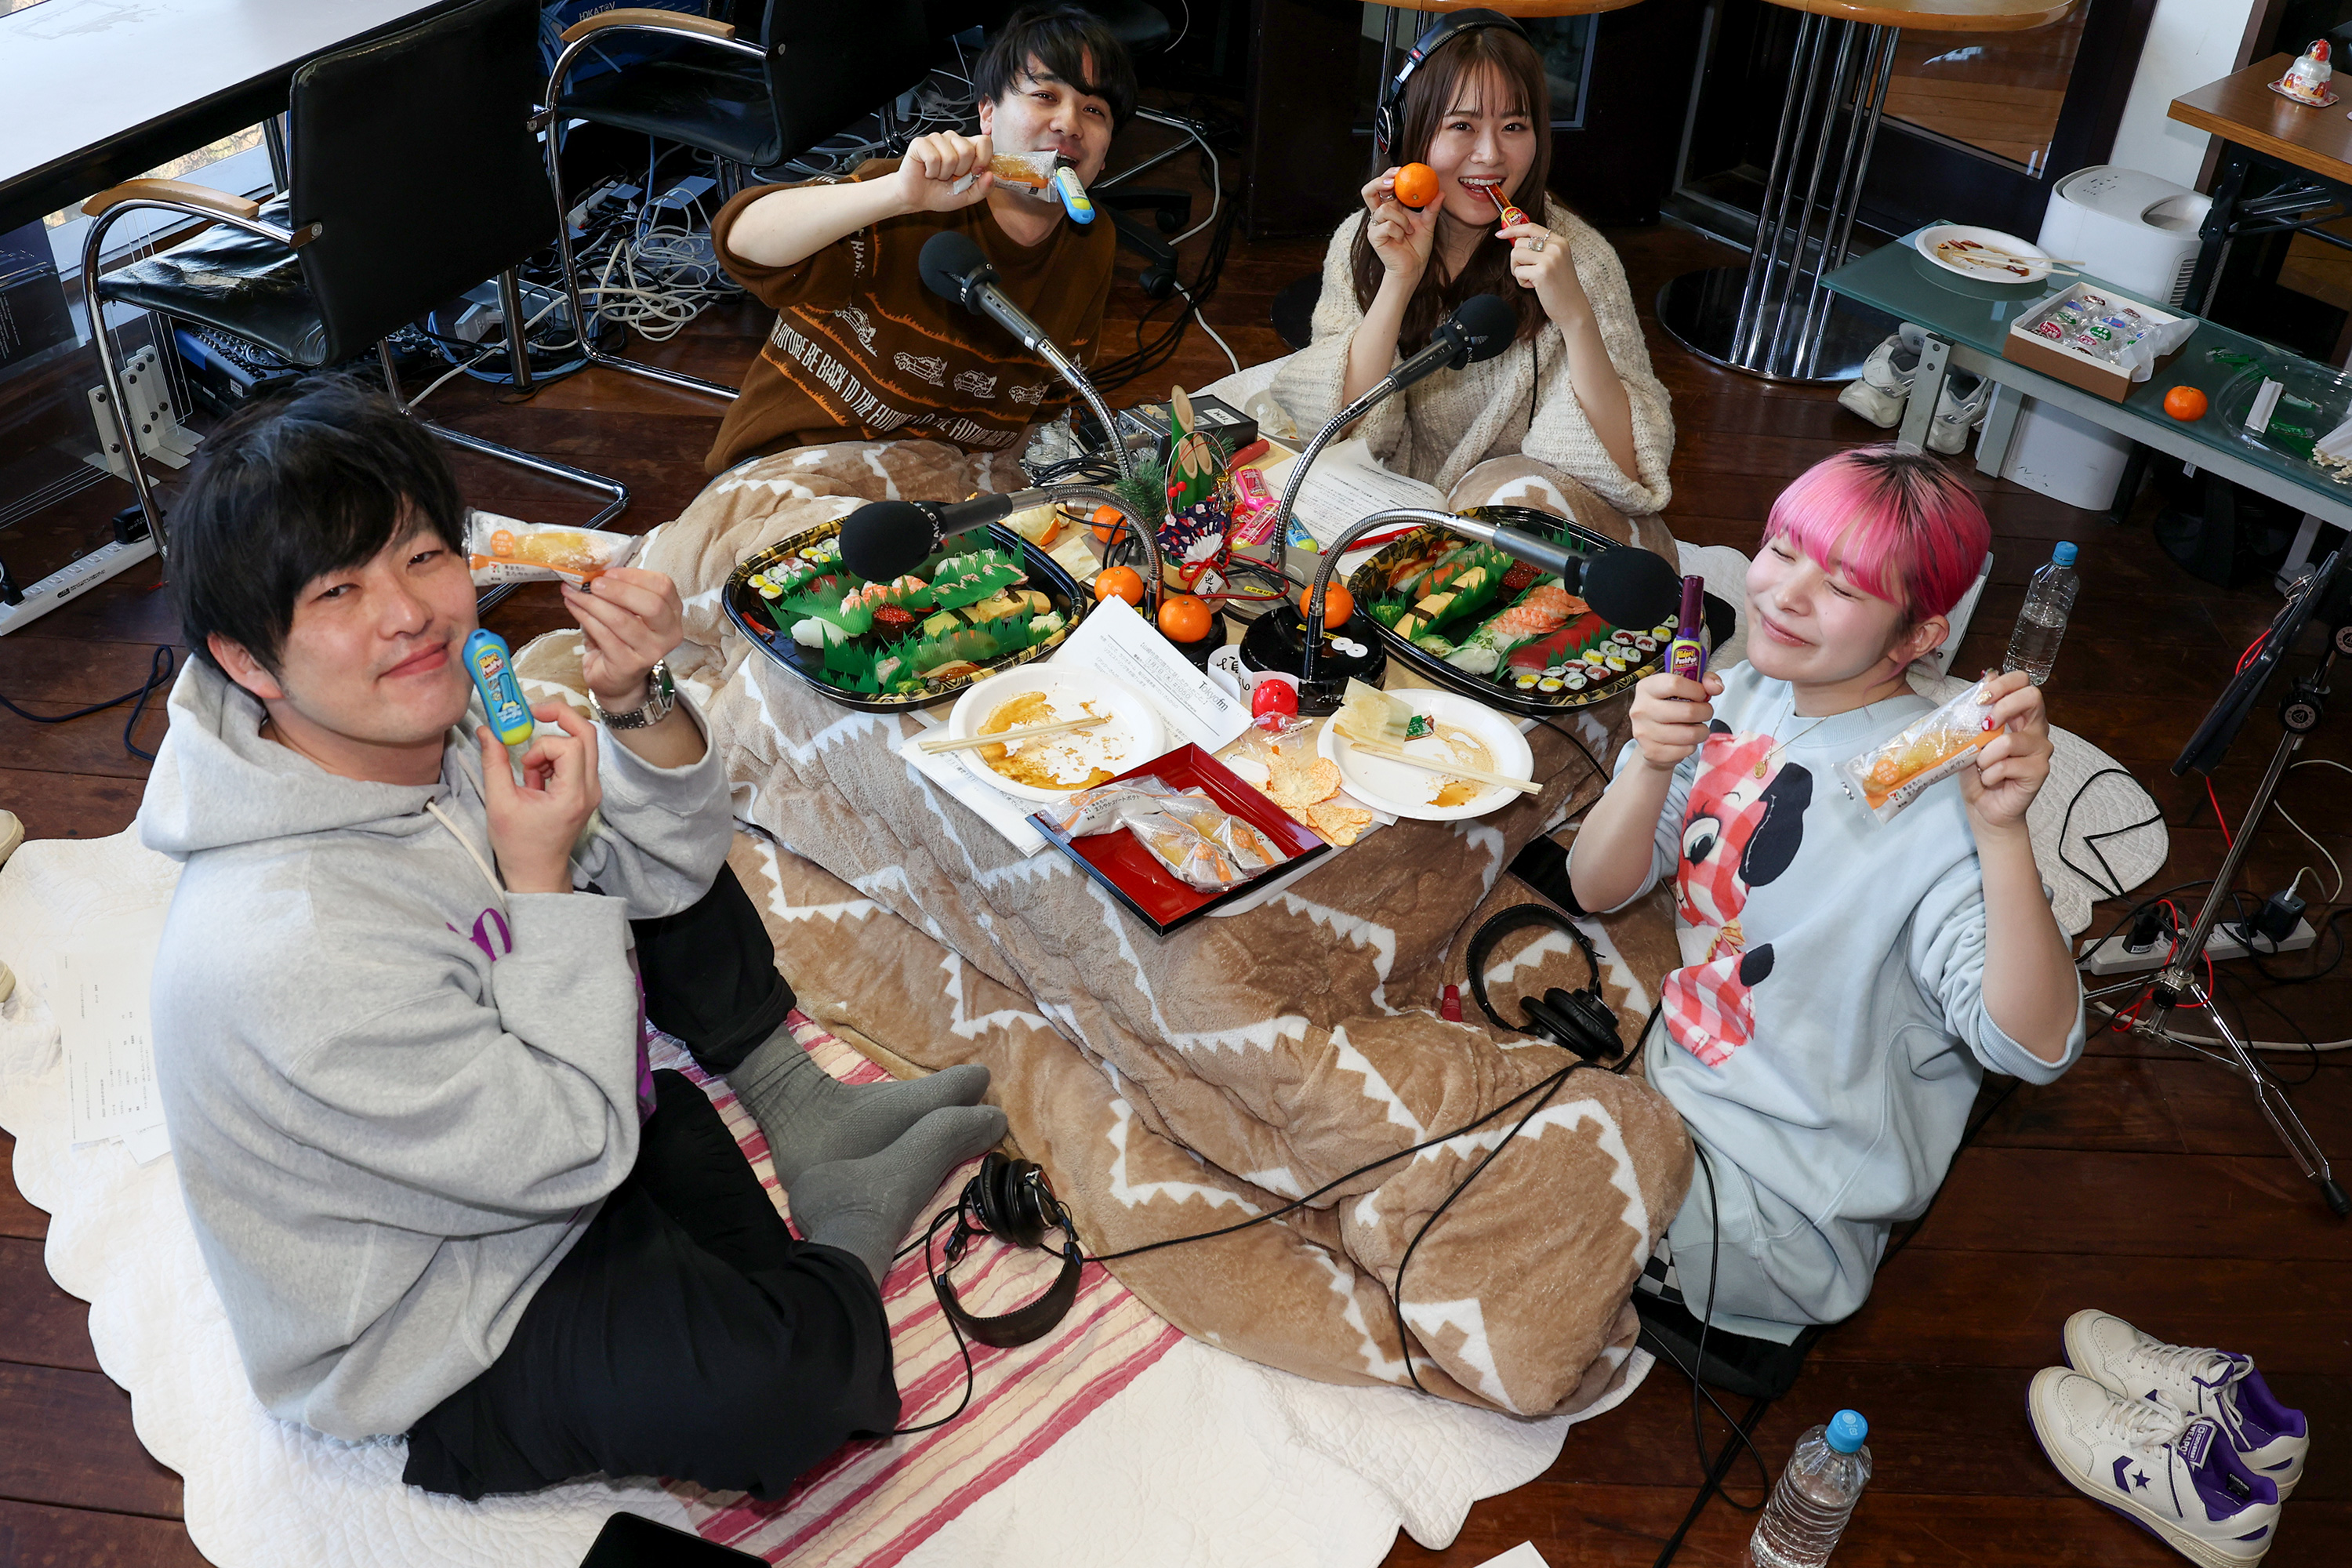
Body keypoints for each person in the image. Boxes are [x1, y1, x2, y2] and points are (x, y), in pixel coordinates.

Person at [140, 377, 1007, 1499]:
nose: (409, 615)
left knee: (602, 803)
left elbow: (670, 871)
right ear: (248, 661)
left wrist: (634, 696)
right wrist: (540, 879)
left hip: (544, 1127)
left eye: (421, 555)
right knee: (786, 1395)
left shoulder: (416, 711)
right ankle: (844, 1219)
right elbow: (572, 1148)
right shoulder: (284, 949)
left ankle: (798, 1108)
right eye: (340, 589)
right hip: (436, 1313)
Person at [1566, 445, 2085, 1334]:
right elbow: (1596, 884)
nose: (1785, 594)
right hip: (1667, 1091)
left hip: (1775, 1209)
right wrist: (1650, 764)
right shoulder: (1748, 690)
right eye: (1781, 550)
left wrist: (2002, 836)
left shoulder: (1939, 797)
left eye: (1842, 586)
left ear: (1918, 639)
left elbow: (2034, 1048)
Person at [1269, 10, 1674, 538]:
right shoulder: (1364, 240)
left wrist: (1576, 317)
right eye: (1462, 126)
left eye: (1514, 127)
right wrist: (1399, 280)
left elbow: (1625, 469)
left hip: (1522, 521)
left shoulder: (1581, 259)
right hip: (1395, 504)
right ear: (1408, 132)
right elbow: (1337, 426)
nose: (1490, 155)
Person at [702, 3, 1133, 474]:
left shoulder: (1093, 242)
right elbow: (739, 243)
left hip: (943, 486)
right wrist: (896, 197)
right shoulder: (904, 196)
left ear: (1107, 151)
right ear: (988, 114)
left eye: (1094, 110)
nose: (1069, 123)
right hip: (797, 471)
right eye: (1045, 95)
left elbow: (1048, 400)